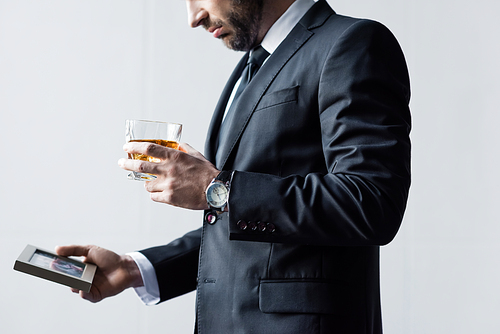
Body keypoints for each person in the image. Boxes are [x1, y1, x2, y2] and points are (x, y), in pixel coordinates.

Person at [57, 0, 411, 333]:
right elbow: (246, 228)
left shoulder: (351, 43)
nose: (193, 16)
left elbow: (372, 201)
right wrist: (133, 268)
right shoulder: (252, 65)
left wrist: (217, 189)